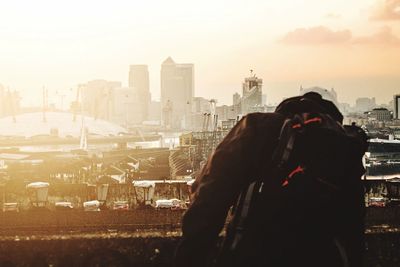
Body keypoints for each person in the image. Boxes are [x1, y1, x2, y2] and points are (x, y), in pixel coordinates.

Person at [174, 92, 367, 267]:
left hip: (255, 254)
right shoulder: (343, 148)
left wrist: (190, 257)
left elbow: (210, 196)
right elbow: (353, 230)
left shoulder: (259, 127)